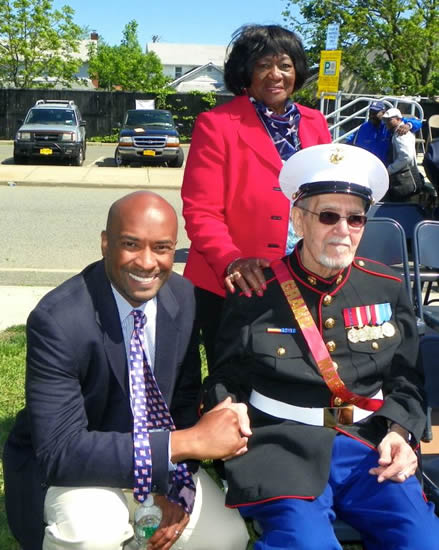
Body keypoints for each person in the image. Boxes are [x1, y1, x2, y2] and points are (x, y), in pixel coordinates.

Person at [202, 143, 439, 549]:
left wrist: (401, 431)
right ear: (299, 218)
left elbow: (406, 379)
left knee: (423, 541)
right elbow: (226, 376)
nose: (343, 230)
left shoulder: (387, 286)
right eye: (328, 216)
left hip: (369, 444)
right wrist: (228, 407)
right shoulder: (257, 291)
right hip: (281, 447)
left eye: (356, 218)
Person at [2, 191, 250, 550]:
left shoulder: (183, 299)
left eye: (162, 248)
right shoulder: (57, 320)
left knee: (228, 538)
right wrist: (183, 445)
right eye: (131, 244)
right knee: (93, 536)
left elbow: (179, 403)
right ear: (105, 243)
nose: (147, 263)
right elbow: (61, 451)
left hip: (161, 460)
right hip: (78, 471)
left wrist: (175, 484)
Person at [181, 24, 331, 369]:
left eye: (285, 65)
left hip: (304, 277)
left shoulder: (315, 123)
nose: (275, 75)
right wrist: (232, 260)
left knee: (297, 374)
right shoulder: (216, 124)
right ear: (246, 72)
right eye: (263, 65)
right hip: (235, 284)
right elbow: (201, 211)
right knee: (236, 380)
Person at [345, 100, 422, 165]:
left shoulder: (390, 124)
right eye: (370, 112)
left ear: (383, 113)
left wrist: (409, 125)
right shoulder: (364, 127)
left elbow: (418, 123)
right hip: (366, 165)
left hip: (384, 166)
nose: (371, 116)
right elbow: (351, 141)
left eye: (375, 113)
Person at [382, 107, 423, 201]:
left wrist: (390, 170)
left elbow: (406, 157)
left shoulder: (401, 134)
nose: (386, 122)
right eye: (385, 120)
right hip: (405, 177)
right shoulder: (396, 132)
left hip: (406, 179)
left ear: (398, 119)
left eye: (389, 119)